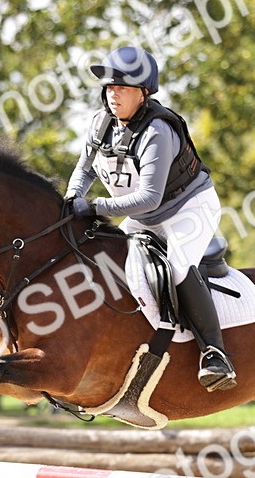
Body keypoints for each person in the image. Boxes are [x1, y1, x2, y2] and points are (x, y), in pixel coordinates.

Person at [65, 45, 237, 392]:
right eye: (110, 88)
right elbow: (83, 172)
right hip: (142, 216)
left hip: (189, 208)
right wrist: (72, 198)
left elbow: (149, 198)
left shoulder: (157, 131)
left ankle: (215, 354)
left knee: (175, 265)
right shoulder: (100, 125)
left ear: (143, 94)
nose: (113, 94)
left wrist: (95, 207)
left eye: (123, 88)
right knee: (111, 259)